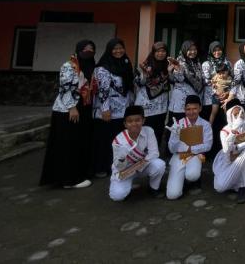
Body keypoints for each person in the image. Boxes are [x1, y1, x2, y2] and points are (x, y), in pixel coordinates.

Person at [40, 40, 96, 189]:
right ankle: (69, 180)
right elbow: (65, 87)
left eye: (91, 50)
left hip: (83, 108)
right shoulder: (69, 66)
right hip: (67, 110)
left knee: (77, 143)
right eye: (85, 50)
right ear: (78, 50)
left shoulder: (91, 66)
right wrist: (72, 107)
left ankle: (77, 174)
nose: (88, 52)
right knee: (67, 144)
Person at [92, 38, 134, 177]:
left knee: (119, 141)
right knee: (105, 140)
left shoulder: (125, 63)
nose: (118, 51)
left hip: (123, 110)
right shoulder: (103, 68)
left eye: (121, 48)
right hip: (108, 111)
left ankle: (116, 166)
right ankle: (101, 167)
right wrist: (105, 109)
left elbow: (129, 87)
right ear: (109, 50)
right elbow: (103, 91)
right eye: (115, 48)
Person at [109, 105, 166, 201]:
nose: (134, 123)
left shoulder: (149, 131)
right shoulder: (118, 141)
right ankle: (127, 186)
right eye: (130, 121)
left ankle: (153, 188)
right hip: (125, 171)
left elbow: (154, 153)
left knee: (159, 164)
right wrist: (122, 158)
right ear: (125, 124)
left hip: (142, 166)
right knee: (117, 196)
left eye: (137, 120)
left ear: (143, 121)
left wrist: (139, 166)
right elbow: (119, 166)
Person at [165, 96, 213, 200]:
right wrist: (176, 137)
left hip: (195, 155)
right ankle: (180, 181)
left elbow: (208, 146)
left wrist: (190, 149)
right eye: (188, 109)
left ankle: (192, 179)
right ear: (184, 110)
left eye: (194, 108)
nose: (191, 112)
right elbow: (171, 149)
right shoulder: (178, 124)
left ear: (200, 108)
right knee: (172, 195)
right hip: (179, 156)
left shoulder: (205, 125)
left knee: (192, 175)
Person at [212, 99, 245, 203]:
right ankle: (234, 184)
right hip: (229, 162)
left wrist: (238, 147)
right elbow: (226, 149)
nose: (239, 116)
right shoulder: (224, 130)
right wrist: (234, 131)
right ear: (230, 115)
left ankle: (244, 188)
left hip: (244, 156)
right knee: (220, 187)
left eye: (241, 113)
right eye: (236, 114)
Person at [135, 41, 175, 147]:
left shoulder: (168, 65)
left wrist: (169, 71)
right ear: (153, 52)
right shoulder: (145, 65)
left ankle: (155, 156)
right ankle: (141, 156)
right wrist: (145, 74)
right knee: (145, 129)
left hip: (161, 103)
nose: (161, 54)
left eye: (163, 51)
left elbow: (172, 81)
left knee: (158, 129)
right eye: (158, 51)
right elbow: (139, 83)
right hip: (146, 102)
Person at [169, 40, 206, 123]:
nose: (193, 52)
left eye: (195, 49)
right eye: (190, 50)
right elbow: (179, 78)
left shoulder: (197, 62)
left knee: (191, 125)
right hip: (181, 98)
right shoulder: (178, 62)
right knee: (179, 124)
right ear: (185, 50)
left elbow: (201, 79)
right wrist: (178, 68)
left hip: (194, 97)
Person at [201, 41, 229, 152]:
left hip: (224, 97)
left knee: (222, 123)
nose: (217, 52)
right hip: (210, 98)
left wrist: (226, 92)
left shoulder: (226, 62)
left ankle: (222, 149)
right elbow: (206, 80)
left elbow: (231, 77)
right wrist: (216, 91)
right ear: (211, 51)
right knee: (211, 121)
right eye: (215, 50)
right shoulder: (206, 64)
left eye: (219, 50)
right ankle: (208, 150)